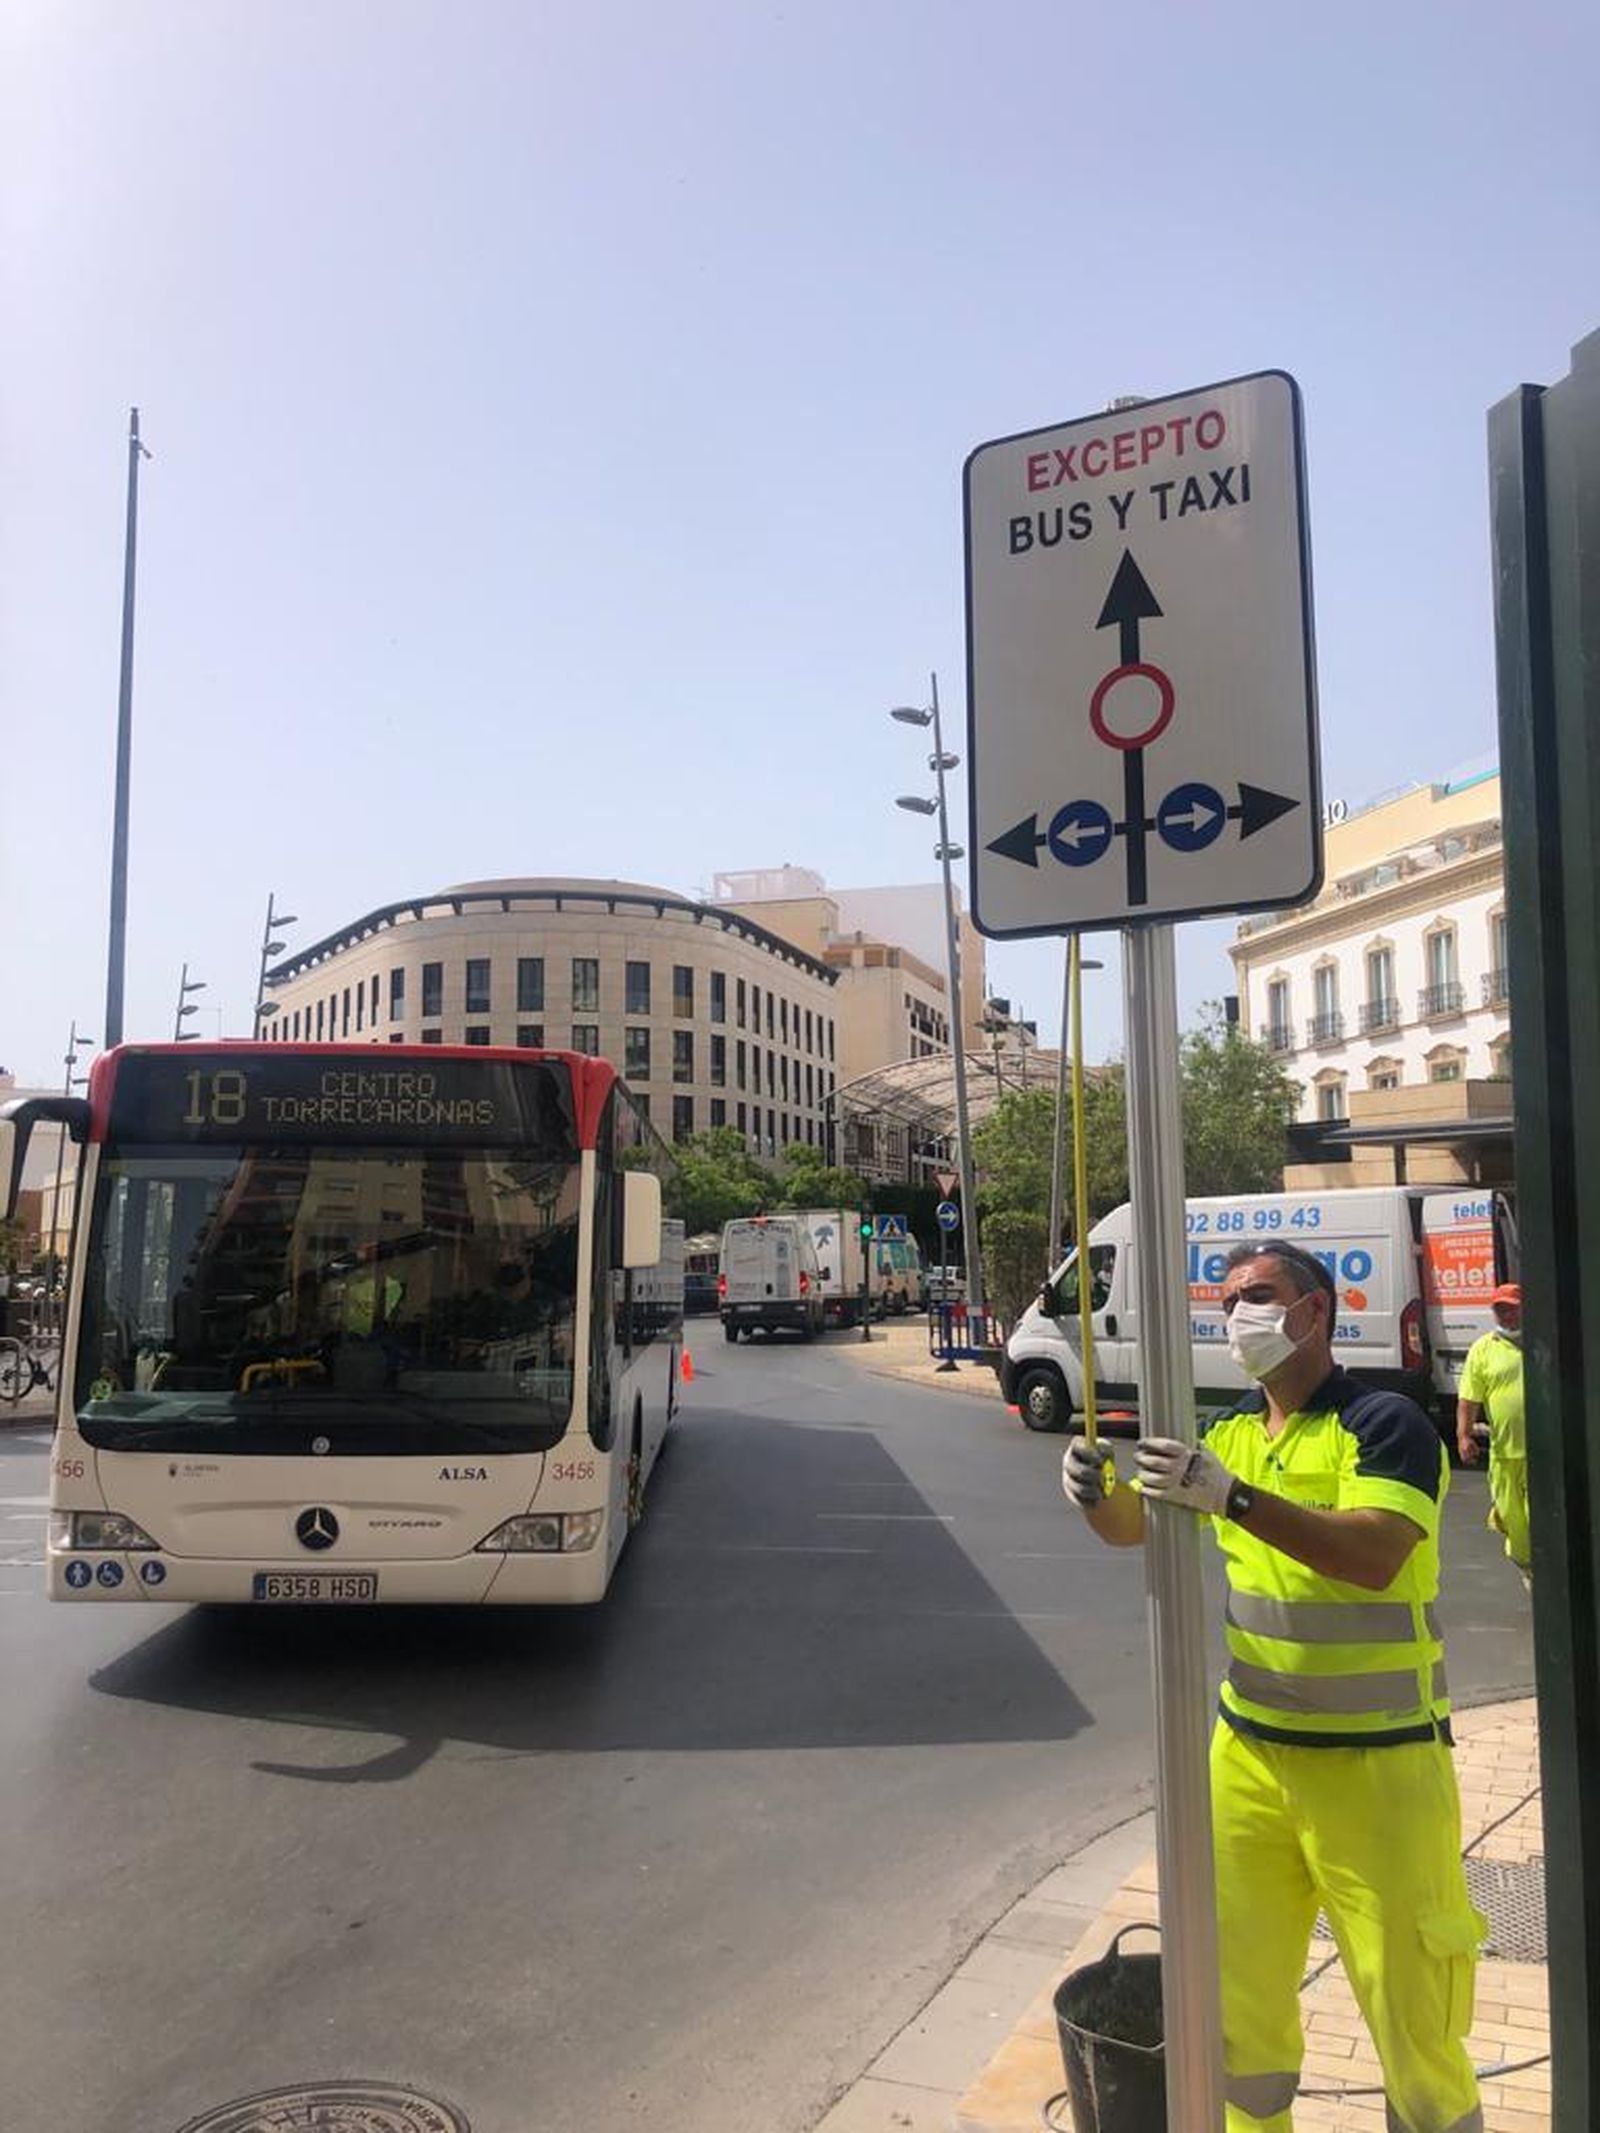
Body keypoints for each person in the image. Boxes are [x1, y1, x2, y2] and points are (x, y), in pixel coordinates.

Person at [1062, 1239, 1484, 2133]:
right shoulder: (1227, 1432)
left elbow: (1372, 1553)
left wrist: (1235, 1500)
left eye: (1258, 1295)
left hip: (1378, 1769)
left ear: (1314, 1311)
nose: (1237, 1313)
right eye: (1227, 1299)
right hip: (1247, 1759)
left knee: (1416, 2020)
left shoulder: (1383, 1422)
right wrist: (1095, 1491)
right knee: (1237, 2015)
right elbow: (1138, 1526)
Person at [1456, 1281, 1530, 1588]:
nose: (1507, 1316)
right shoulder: (1483, 1349)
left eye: (1512, 1309)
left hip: (1541, 1454)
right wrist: (1464, 1435)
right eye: (1501, 1310)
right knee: (1514, 1522)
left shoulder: (1541, 1340)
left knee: (1537, 1519)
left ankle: (1541, 1574)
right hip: (1503, 1454)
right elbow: (1469, 1398)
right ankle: (1526, 1566)